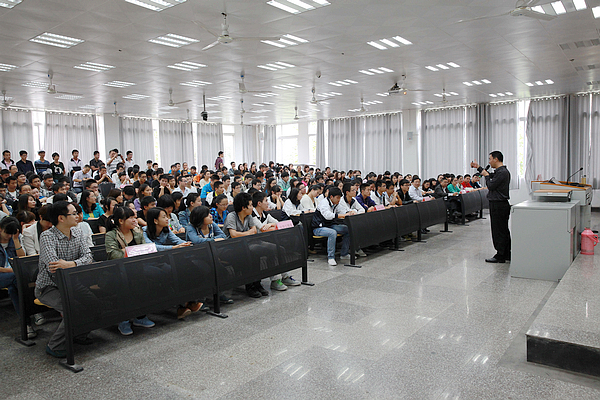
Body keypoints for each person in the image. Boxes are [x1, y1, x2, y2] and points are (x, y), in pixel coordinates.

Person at [36, 201, 96, 358]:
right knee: (71, 308)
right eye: (73, 213)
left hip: (72, 283)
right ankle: (54, 345)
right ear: (61, 218)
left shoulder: (77, 232)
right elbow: (54, 266)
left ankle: (79, 334)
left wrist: (71, 264)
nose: (77, 216)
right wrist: (74, 264)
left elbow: (88, 257)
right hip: (49, 287)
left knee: (93, 302)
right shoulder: (47, 236)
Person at [105, 206, 156, 335]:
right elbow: (113, 254)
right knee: (124, 288)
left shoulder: (137, 232)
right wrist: (133, 251)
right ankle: (124, 320)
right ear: (121, 221)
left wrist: (126, 251)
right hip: (118, 271)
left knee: (144, 283)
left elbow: (144, 249)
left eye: (135, 217)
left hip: (137, 268)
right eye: (131, 218)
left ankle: (140, 317)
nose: (135, 220)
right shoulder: (111, 235)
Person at [142, 207, 199, 319]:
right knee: (169, 274)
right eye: (164, 217)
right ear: (155, 220)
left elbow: (177, 240)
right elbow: (152, 247)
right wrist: (173, 247)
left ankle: (188, 302)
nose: (167, 219)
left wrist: (186, 244)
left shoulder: (166, 229)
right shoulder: (144, 232)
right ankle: (180, 306)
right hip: (147, 264)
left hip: (161, 261)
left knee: (182, 270)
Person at [224, 192, 270, 298]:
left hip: (245, 245)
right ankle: (249, 286)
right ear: (243, 207)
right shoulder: (231, 216)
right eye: (250, 205)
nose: (252, 207)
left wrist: (243, 234)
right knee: (249, 255)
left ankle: (257, 283)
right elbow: (233, 235)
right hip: (230, 248)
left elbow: (254, 231)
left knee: (256, 254)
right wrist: (248, 233)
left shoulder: (249, 216)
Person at [251, 191, 300, 291]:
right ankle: (275, 280)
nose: (268, 203)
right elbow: (262, 229)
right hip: (255, 242)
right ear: (259, 203)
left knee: (281, 249)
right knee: (273, 250)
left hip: (266, 240)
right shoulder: (252, 216)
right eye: (266, 201)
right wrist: (271, 227)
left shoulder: (265, 214)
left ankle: (285, 276)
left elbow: (278, 224)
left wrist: (271, 225)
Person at [471, 151, 511, 263]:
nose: (489, 162)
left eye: (490, 159)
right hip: (499, 204)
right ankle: (506, 253)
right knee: (502, 230)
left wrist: (487, 176)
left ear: (496, 159)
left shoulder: (502, 173)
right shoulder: (501, 172)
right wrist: (478, 167)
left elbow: (491, 185)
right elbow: (489, 175)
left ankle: (500, 255)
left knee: (498, 230)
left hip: (498, 204)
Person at [312, 187, 353, 266]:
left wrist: (349, 212)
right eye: (337, 198)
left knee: (347, 229)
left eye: (340, 198)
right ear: (331, 197)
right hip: (318, 228)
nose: (339, 200)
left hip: (329, 225)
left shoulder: (336, 203)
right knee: (332, 233)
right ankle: (331, 257)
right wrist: (342, 215)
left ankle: (344, 254)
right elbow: (328, 216)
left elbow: (342, 211)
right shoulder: (324, 203)